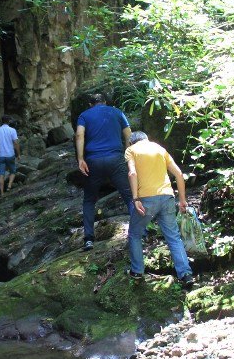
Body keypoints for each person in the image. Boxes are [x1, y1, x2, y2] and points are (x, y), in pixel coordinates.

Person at [124, 131, 194, 287]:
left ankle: (137, 272)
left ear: (132, 142)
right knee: (174, 237)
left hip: (146, 199)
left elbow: (132, 172)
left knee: (135, 234)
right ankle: (186, 274)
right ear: (146, 139)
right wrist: (182, 200)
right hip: (167, 197)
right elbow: (179, 174)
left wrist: (135, 198)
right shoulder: (159, 148)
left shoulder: (131, 150)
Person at [76, 93, 133, 251]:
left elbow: (79, 135)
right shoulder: (117, 112)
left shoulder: (84, 115)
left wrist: (81, 159)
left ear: (90, 104)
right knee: (129, 196)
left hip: (93, 161)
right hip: (115, 158)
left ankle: (88, 239)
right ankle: (141, 231)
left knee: (89, 200)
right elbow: (129, 134)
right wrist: (126, 154)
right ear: (105, 102)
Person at [0, 115, 20, 195]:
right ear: (9, 121)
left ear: (2, 121)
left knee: (1, 174)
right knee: (13, 171)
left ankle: (2, 193)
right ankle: (9, 186)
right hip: (10, 154)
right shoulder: (12, 130)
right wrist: (18, 154)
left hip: (1, 155)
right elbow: (16, 143)